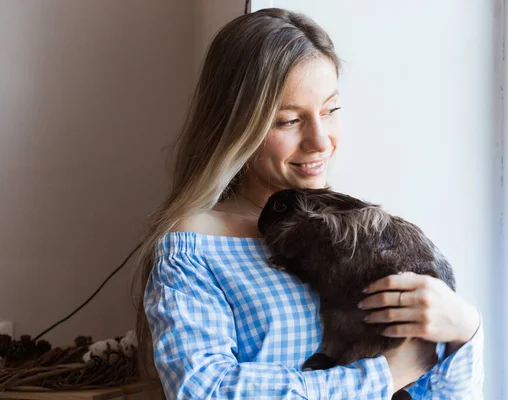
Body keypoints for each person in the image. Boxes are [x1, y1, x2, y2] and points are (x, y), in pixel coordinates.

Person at [133, 8, 484, 399]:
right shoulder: (194, 246)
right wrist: (383, 376)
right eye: (288, 121)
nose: (320, 141)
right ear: (238, 126)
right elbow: (205, 391)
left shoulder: (360, 231)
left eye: (330, 110)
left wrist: (465, 331)